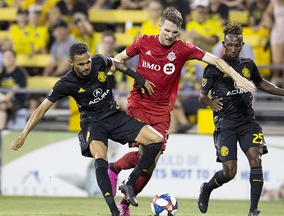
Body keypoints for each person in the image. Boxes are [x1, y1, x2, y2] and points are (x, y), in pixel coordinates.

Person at [108, 7, 255, 216]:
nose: (170, 36)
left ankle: (119, 186)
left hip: (162, 110)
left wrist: (236, 76)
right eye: (167, 30)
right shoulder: (143, 42)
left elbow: (215, 60)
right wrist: (128, 74)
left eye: (174, 32)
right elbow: (118, 59)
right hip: (139, 104)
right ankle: (118, 183)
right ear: (160, 25)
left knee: (150, 163)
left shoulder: (182, 49)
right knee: (148, 152)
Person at [10, 43, 165, 216]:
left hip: (114, 115)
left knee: (157, 140)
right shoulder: (65, 83)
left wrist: (138, 78)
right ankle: (114, 211)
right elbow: (41, 110)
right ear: (71, 63)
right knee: (100, 156)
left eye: (88, 62)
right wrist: (23, 135)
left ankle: (129, 183)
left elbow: (116, 64)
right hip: (93, 122)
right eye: (81, 64)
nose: (86, 66)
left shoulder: (99, 61)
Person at [197, 21, 284, 216]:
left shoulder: (248, 65)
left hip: (247, 122)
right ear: (223, 44)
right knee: (230, 172)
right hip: (225, 124)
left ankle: (253, 211)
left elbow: (261, 84)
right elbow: (201, 95)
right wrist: (209, 102)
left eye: (237, 45)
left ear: (242, 45)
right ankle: (207, 188)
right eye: (230, 45)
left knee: (256, 158)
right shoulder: (213, 68)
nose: (233, 49)